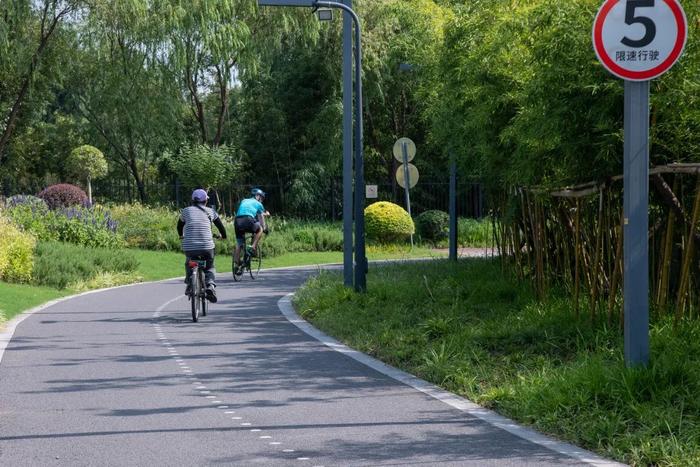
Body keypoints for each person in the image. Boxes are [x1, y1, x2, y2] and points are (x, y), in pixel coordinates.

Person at [178, 188, 227, 302]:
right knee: (209, 266)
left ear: (192, 200)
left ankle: (190, 282)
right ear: (205, 201)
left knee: (189, 262)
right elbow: (221, 227)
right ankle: (210, 285)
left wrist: (181, 235)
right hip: (207, 247)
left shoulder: (186, 211)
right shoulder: (210, 211)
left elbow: (179, 226)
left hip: (190, 247)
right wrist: (223, 236)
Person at [234, 188, 268, 275]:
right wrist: (264, 228)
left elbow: (243, 211)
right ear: (258, 196)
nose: (262, 200)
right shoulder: (259, 204)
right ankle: (253, 246)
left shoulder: (244, 200)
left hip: (237, 221)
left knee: (239, 244)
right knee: (259, 229)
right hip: (248, 219)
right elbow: (261, 218)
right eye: (262, 198)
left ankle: (236, 265)